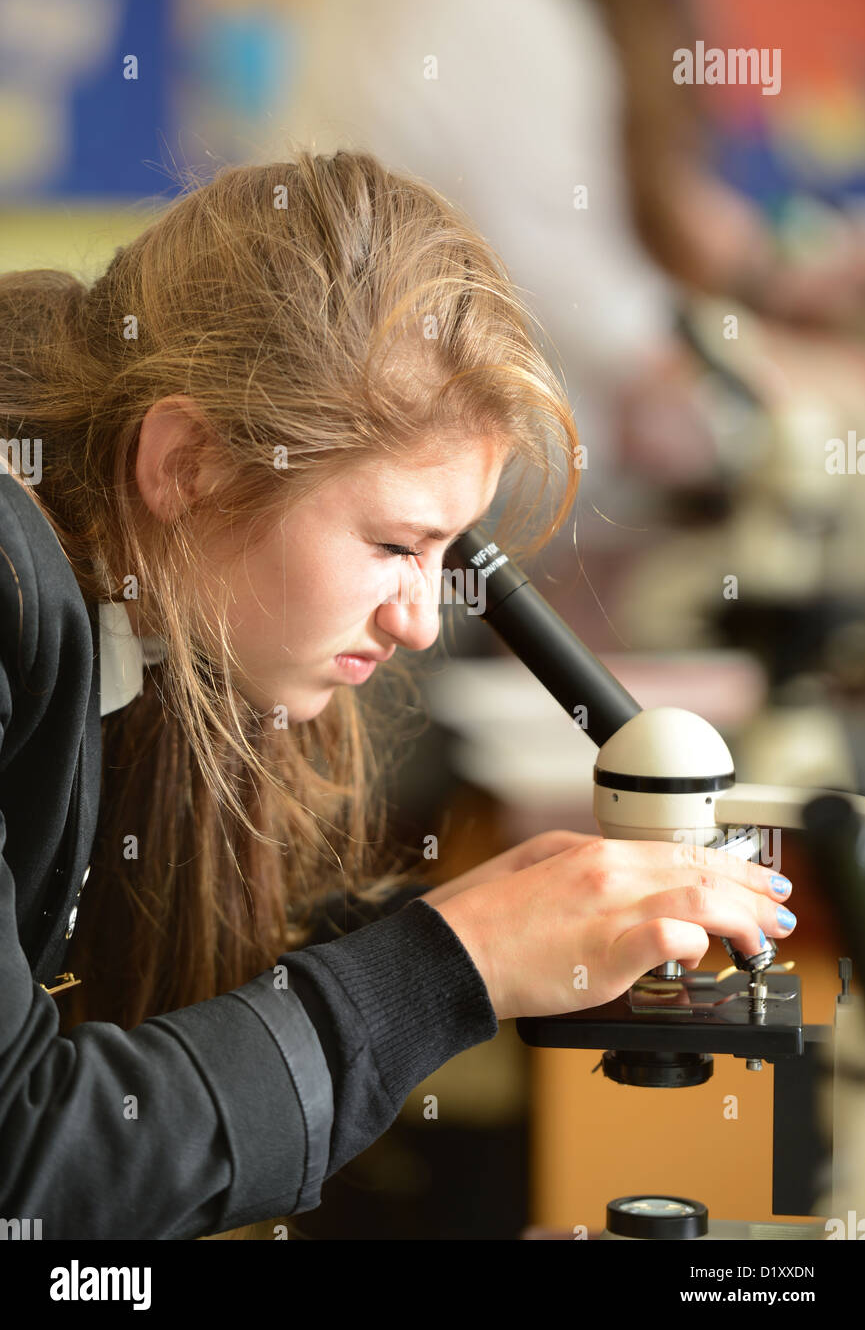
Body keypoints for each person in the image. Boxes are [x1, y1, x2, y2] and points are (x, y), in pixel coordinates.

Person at [0, 148, 795, 1240]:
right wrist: (449, 962)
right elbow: (35, 1169)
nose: (419, 619)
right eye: (391, 544)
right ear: (188, 464)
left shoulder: (126, 600)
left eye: (441, 554)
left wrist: (493, 923)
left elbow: (152, 1028)